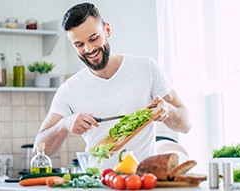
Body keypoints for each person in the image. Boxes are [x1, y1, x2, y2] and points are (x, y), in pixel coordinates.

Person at [33, 2, 191, 162]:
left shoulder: (147, 69)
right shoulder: (69, 89)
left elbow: (186, 125)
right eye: (79, 44)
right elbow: (39, 148)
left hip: (142, 182)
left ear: (107, 30)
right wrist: (64, 124)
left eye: (93, 38)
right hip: (97, 182)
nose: (89, 49)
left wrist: (168, 111)